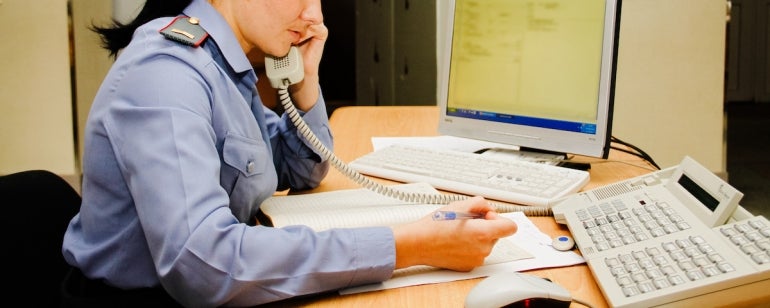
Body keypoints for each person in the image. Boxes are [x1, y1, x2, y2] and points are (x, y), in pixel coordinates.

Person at [61, 0, 519, 306]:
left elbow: (297, 168)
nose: (313, 15)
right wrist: (410, 245)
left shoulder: (227, 64)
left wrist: (305, 84)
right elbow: (201, 263)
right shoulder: (169, 76)